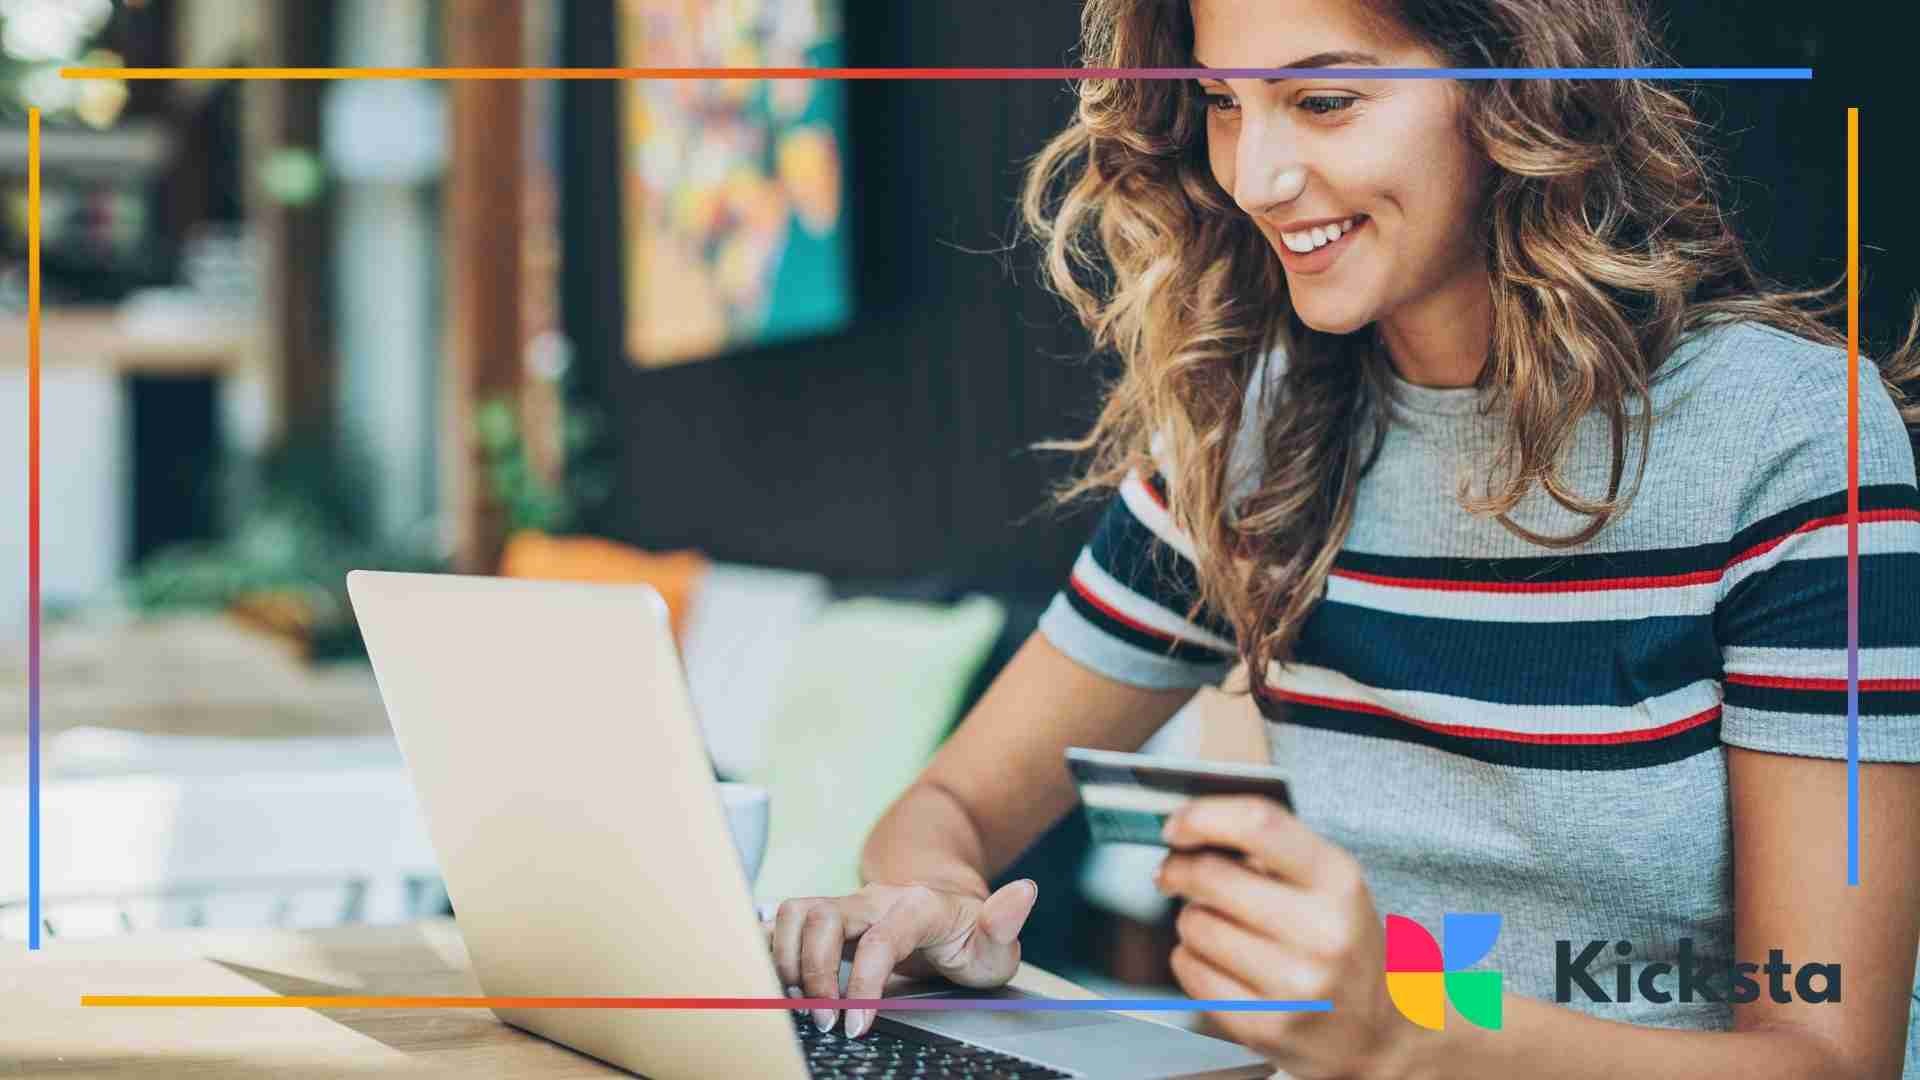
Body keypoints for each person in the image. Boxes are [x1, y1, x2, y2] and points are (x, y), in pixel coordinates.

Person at [765, 1, 1920, 1075]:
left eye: (1324, 101)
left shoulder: (1788, 436)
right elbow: (945, 809)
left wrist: (1403, 1025)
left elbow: (1826, 1054)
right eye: (1224, 102)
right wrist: (936, 904)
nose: (1257, 176)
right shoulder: (1247, 444)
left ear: (1516, 88)